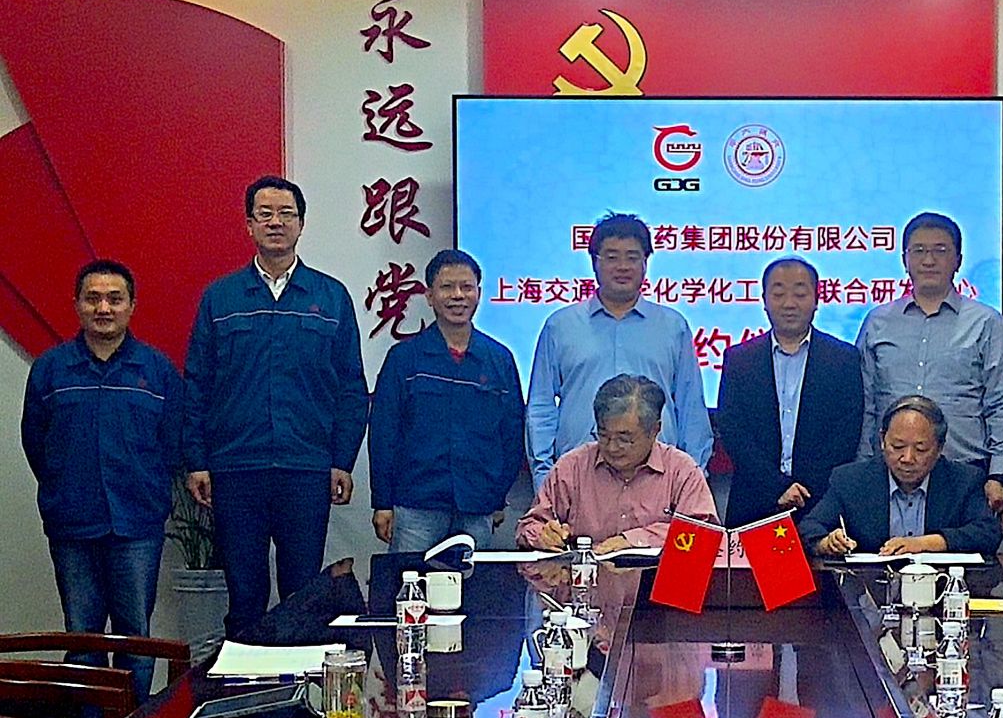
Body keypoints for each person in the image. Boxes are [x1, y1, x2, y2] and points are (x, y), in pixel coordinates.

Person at [183, 176, 369, 636]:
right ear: (249, 225)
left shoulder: (330, 297)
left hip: (306, 469)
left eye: (286, 214)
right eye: (264, 214)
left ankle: (296, 682)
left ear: (301, 224)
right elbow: (197, 385)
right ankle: (244, 680)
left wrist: (341, 460)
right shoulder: (221, 298)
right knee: (244, 596)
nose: (276, 222)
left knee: (302, 595)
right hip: (237, 469)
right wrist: (198, 462)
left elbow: (351, 387)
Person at [21, 260, 182, 702]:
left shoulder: (157, 370)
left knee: (135, 635)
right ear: (77, 305)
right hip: (73, 522)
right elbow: (35, 442)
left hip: (137, 523)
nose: (104, 308)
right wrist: (63, 487)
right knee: (83, 633)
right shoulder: (51, 369)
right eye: (93, 298)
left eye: (115, 299)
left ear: (132, 305)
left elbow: (172, 445)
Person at [525, 212, 713, 491]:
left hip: (657, 478)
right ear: (594, 262)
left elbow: (691, 407)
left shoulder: (673, 326)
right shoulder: (560, 326)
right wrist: (544, 477)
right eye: (612, 257)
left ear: (645, 263)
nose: (622, 266)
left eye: (632, 257)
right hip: (577, 478)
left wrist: (691, 479)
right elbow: (540, 406)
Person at [856, 212, 1003, 515]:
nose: (928, 260)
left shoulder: (985, 322)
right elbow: (866, 402)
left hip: (963, 471)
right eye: (919, 250)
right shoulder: (877, 322)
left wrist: (999, 473)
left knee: (960, 545)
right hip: (890, 473)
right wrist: (863, 466)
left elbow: (1000, 402)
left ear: (958, 260)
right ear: (905, 260)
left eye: (940, 250)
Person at [369, 249, 524, 553]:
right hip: (416, 504)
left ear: (479, 293)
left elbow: (512, 434)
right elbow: (384, 433)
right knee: (409, 581)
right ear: (429, 296)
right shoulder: (404, 358)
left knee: (475, 583)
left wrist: (497, 497)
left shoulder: (499, 359)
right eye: (447, 287)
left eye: (466, 287)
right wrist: (382, 502)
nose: (458, 296)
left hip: (478, 505)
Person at [717, 257, 863, 528]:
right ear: (764, 300)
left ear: (817, 299)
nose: (789, 303)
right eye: (778, 294)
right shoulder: (739, 359)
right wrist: (777, 487)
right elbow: (733, 430)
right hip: (754, 500)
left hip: (822, 501)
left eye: (800, 293)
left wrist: (804, 487)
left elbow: (846, 433)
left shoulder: (843, 359)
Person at [517, 374, 716, 554]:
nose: (612, 447)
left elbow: (704, 534)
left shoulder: (682, 471)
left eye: (624, 439)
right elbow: (528, 526)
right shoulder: (572, 467)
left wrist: (635, 540)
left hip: (658, 582)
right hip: (582, 580)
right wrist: (542, 535)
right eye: (603, 435)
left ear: (655, 430)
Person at [800, 395, 1001, 557]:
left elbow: (988, 533)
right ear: (882, 440)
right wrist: (826, 543)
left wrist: (927, 543)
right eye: (897, 447)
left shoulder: (964, 480)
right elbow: (809, 528)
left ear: (940, 448)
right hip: (871, 589)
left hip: (940, 588)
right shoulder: (850, 480)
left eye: (920, 449)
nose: (907, 458)